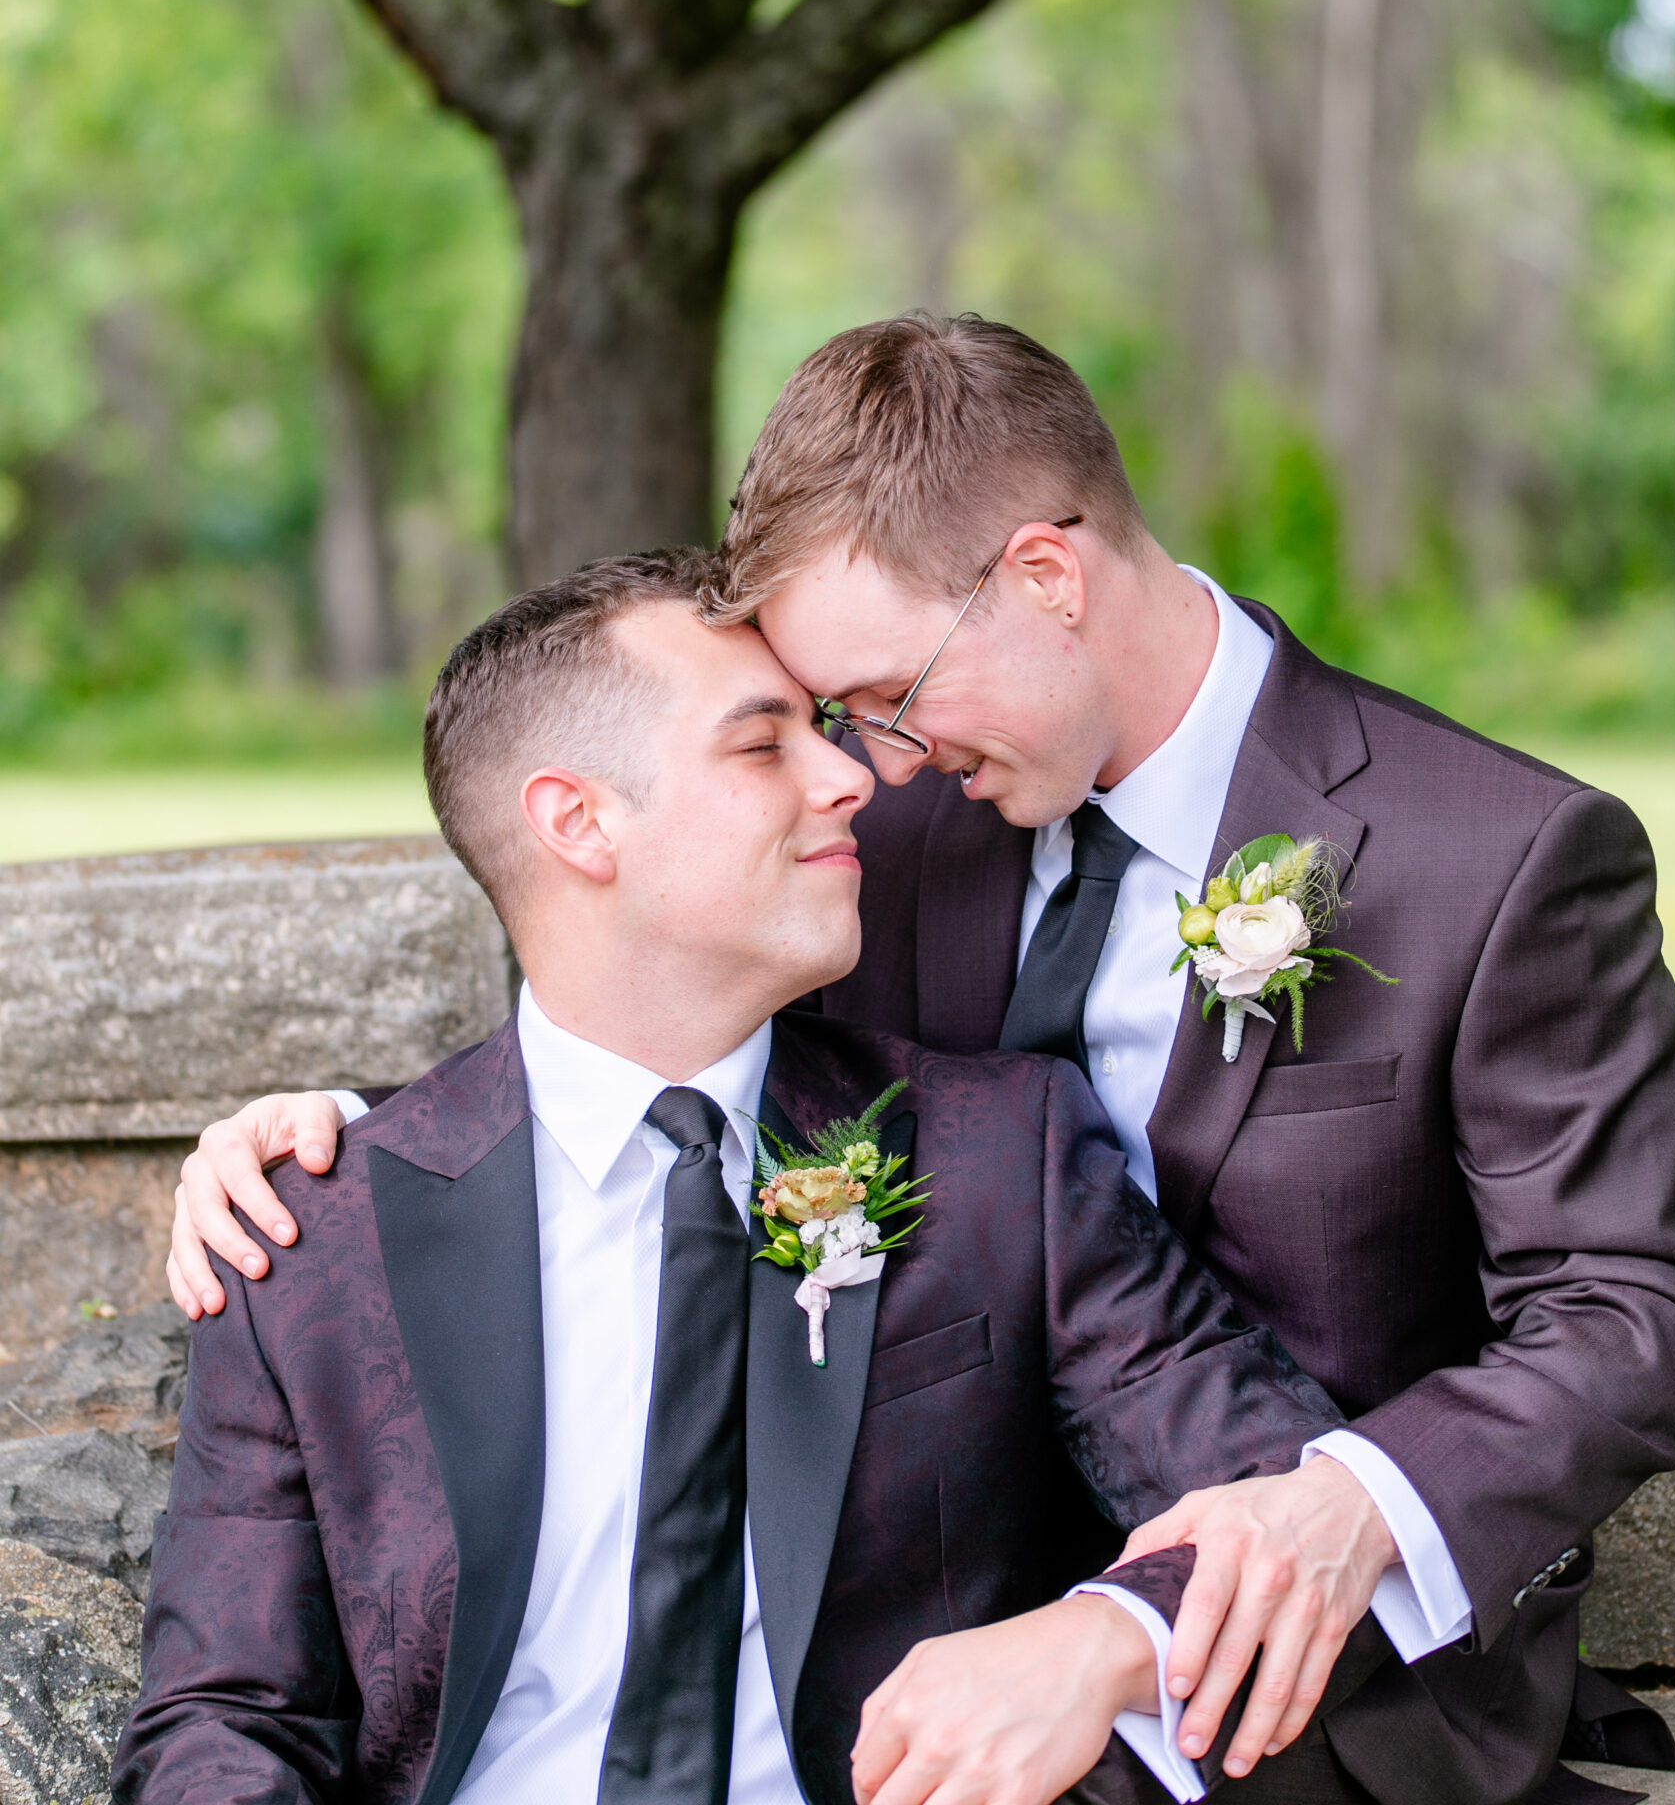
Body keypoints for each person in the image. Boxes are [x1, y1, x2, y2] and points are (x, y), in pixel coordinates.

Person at [168, 316, 1675, 1803]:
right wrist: (352, 1153)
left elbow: (1626, 1313)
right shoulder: (885, 839)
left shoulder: (1490, 855)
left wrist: (1326, 1519)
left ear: (1044, 574)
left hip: (1301, 1654)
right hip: (892, 1630)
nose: (865, 765)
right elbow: (644, 1005)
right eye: (819, 722)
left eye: (883, 701)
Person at [117, 554, 1395, 1805]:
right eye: (761, 744)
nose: (850, 779)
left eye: (825, 733)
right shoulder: (308, 1232)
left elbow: (1275, 1511)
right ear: (578, 822)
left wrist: (1096, 1641)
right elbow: (227, 1716)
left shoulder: (1000, 1155)